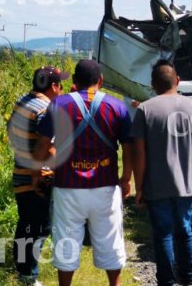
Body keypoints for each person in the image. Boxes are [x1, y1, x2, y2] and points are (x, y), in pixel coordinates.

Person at [33, 59, 133, 286]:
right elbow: (129, 147)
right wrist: (126, 179)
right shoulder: (116, 106)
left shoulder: (59, 105)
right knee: (110, 241)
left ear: (75, 81)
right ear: (100, 81)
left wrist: (37, 172)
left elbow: (43, 144)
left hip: (68, 187)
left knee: (66, 243)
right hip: (105, 186)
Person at [130, 59, 192, 286]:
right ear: (177, 81)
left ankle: (166, 282)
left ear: (153, 84)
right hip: (187, 185)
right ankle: (190, 280)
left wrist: (140, 185)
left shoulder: (145, 110)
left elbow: (139, 153)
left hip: (156, 186)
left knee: (163, 234)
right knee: (185, 231)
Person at [7, 65, 69, 286]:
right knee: (39, 227)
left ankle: (22, 272)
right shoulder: (46, 109)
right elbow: (48, 145)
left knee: (26, 223)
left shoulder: (21, 103)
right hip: (38, 177)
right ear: (53, 86)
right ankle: (29, 276)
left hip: (20, 172)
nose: (62, 89)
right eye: (60, 84)